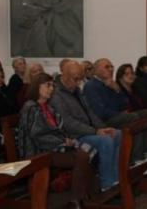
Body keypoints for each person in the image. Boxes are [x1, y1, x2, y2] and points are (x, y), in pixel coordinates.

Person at [17, 73, 97, 209]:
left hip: (52, 148)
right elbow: (36, 135)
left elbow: (58, 130)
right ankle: (75, 200)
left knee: (87, 151)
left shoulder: (48, 107)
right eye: (47, 85)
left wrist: (67, 140)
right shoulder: (30, 107)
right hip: (37, 151)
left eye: (52, 86)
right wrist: (62, 142)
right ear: (37, 87)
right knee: (82, 156)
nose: (51, 89)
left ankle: (82, 196)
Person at [49, 61, 121, 191]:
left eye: (80, 79)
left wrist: (103, 128)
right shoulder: (56, 95)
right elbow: (68, 123)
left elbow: (90, 113)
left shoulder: (76, 90)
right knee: (105, 141)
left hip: (88, 131)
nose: (78, 83)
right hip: (73, 136)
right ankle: (107, 184)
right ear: (64, 76)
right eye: (75, 79)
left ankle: (115, 178)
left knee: (116, 134)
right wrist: (95, 131)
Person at [84, 58, 147, 162]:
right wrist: (119, 113)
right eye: (107, 67)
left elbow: (124, 104)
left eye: (112, 67)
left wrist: (117, 89)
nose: (111, 69)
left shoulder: (110, 83)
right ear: (96, 70)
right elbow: (100, 112)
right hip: (103, 121)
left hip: (117, 117)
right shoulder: (91, 86)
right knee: (134, 117)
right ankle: (137, 159)